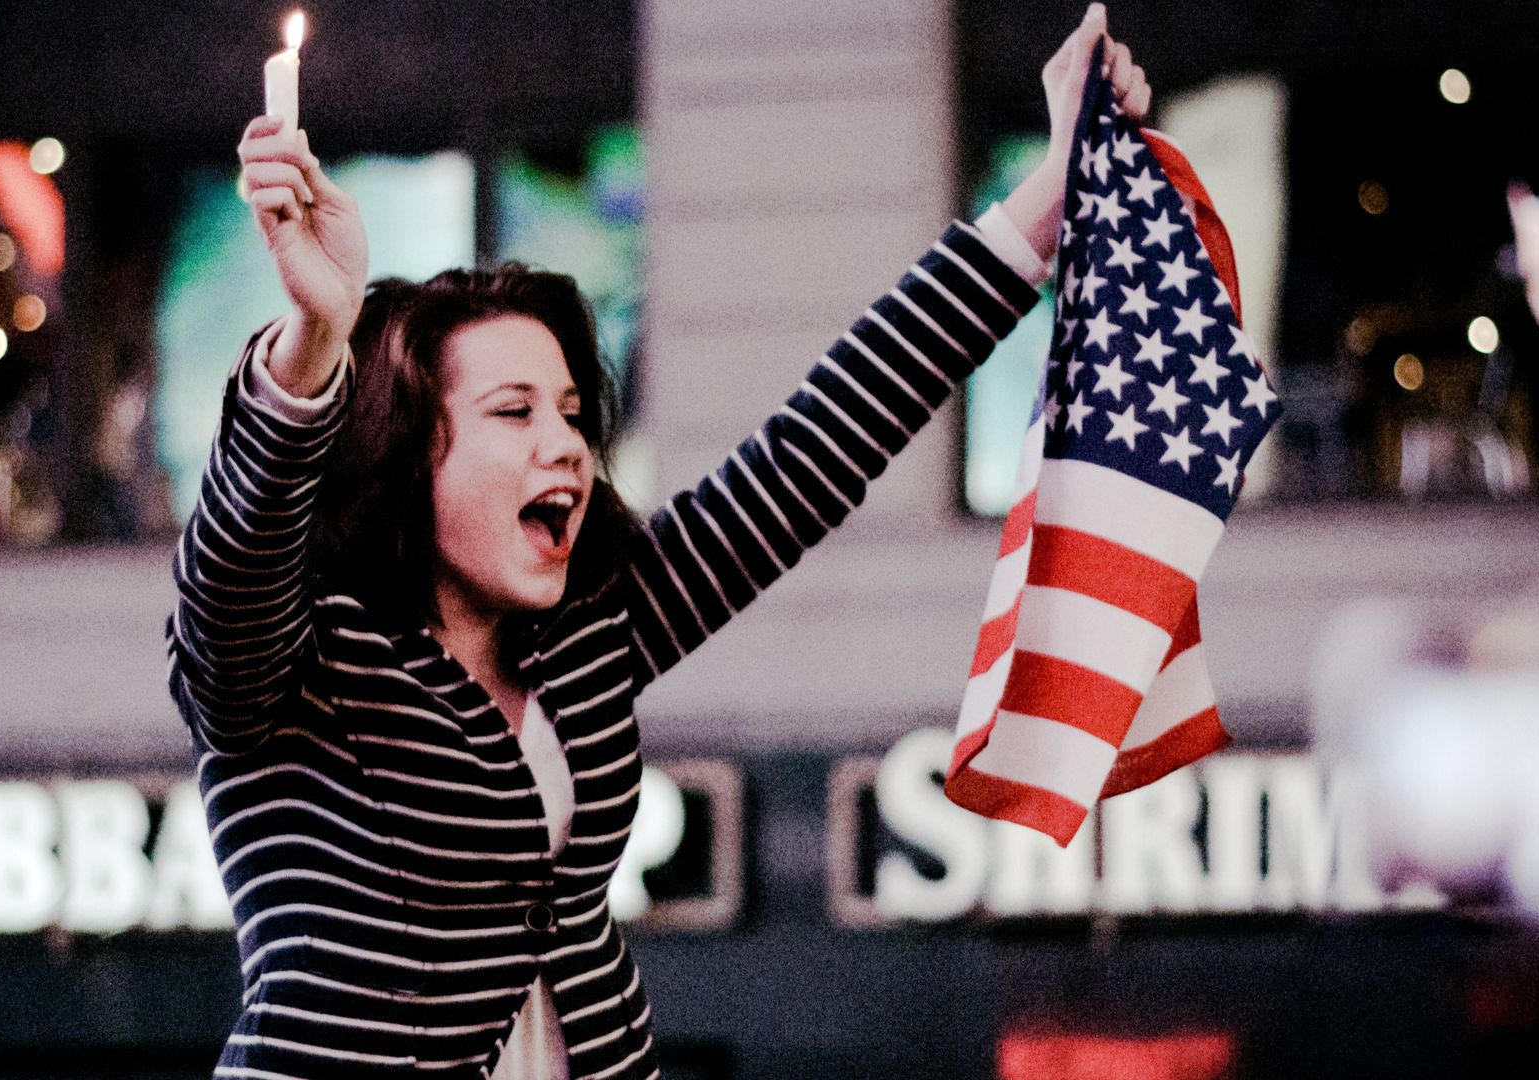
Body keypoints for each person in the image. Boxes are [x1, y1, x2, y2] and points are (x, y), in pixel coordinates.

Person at [166, 6, 1151, 1077]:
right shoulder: (298, 663)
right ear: (411, 453)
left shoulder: (585, 637)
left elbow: (807, 458)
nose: (568, 446)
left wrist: (1046, 205)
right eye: (514, 413)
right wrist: (316, 337)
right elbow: (233, 560)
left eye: (574, 412)